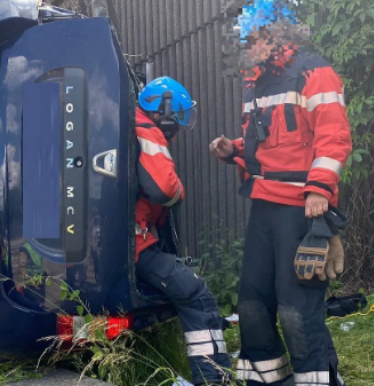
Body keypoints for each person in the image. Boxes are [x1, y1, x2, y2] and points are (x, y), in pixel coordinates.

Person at [209, 1, 352, 385]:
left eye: (251, 39)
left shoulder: (314, 72)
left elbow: (333, 137)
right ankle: (266, 379)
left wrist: (319, 190)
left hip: (301, 209)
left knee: (296, 310)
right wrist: (234, 150)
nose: (245, 47)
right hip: (264, 205)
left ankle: (318, 379)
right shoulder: (257, 83)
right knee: (252, 306)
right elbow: (269, 144)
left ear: (276, 35)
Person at [135, 76, 232, 386]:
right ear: (162, 111)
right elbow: (164, 189)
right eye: (178, 115)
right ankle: (214, 380)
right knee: (196, 294)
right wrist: (181, 192)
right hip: (137, 245)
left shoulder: (130, 125)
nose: (179, 125)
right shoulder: (147, 132)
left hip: (131, 243)